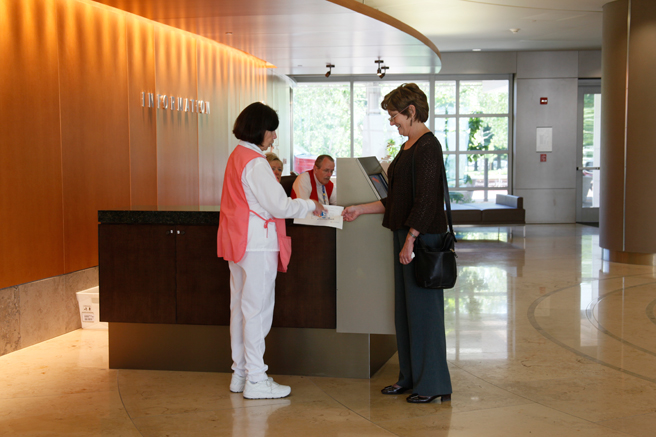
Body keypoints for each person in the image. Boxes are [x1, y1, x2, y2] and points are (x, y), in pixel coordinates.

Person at [342, 83, 452, 404]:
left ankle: (431, 384)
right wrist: (361, 208)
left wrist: (411, 240)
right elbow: (399, 200)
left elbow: (427, 200)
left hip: (420, 238)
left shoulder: (428, 146)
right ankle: (409, 377)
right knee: (405, 313)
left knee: (425, 314)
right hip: (406, 235)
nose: (393, 122)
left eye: (395, 116)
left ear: (412, 112)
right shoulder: (408, 147)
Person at [217, 102, 325, 400]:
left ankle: (241, 374)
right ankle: (257, 379)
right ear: (259, 129)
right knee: (257, 311)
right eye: (272, 130)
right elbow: (279, 205)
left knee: (240, 309)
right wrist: (310, 205)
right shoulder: (255, 162)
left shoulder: (237, 156)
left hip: (238, 242)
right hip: (256, 243)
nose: (274, 137)